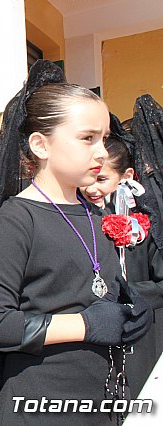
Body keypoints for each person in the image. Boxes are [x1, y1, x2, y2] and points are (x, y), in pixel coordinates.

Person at [0, 60, 152, 425]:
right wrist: (85, 325)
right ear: (41, 145)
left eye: (104, 139)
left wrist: (132, 310)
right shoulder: (17, 221)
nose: (102, 152)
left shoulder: (95, 214)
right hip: (43, 405)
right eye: (88, 138)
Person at [79, 117, 163, 396]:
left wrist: (129, 295)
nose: (92, 188)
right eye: (87, 179)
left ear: (126, 176)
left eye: (101, 179)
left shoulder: (146, 223)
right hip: (98, 329)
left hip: (144, 331)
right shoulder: (84, 220)